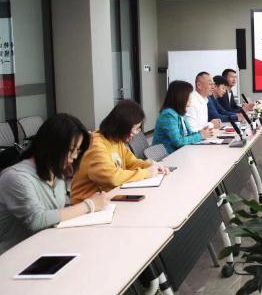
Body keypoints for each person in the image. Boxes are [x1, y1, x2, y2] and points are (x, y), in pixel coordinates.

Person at [0, 114, 110, 254]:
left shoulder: (56, 173)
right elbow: (37, 220)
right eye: (71, 150)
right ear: (52, 147)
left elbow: (58, 212)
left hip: (47, 249)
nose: (75, 156)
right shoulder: (16, 177)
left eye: (77, 150)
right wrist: (90, 205)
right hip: (14, 258)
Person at [71, 100, 169, 203]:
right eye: (135, 129)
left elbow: (132, 162)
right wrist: (146, 173)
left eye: (138, 129)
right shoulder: (96, 145)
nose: (136, 133)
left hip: (108, 198)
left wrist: (150, 165)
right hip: (86, 205)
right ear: (123, 126)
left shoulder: (117, 141)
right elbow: (112, 177)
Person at [153, 80, 214, 154]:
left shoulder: (180, 112)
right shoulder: (168, 115)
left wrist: (200, 133)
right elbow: (178, 142)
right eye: (189, 95)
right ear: (181, 96)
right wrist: (200, 136)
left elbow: (187, 134)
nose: (191, 98)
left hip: (179, 152)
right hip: (167, 156)